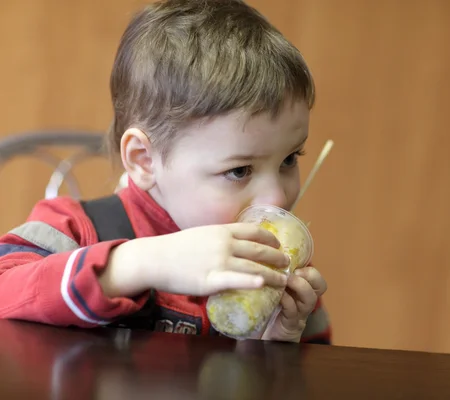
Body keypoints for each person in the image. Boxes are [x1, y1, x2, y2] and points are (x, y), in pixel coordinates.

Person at [0, 0, 331, 344]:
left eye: (289, 159)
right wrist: (141, 264)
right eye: (239, 170)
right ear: (144, 160)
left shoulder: (278, 266)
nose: (277, 196)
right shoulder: (72, 231)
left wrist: (278, 342)